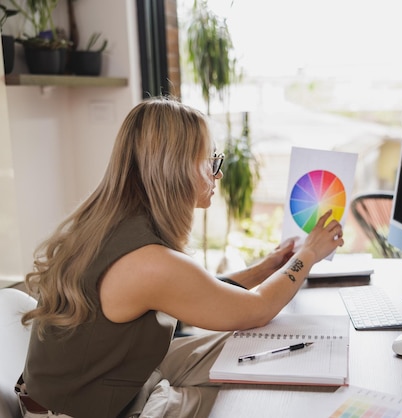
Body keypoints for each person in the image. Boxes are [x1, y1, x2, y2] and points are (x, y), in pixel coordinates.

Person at [17, 96, 344, 418]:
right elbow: (256, 310)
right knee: (248, 394)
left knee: (248, 346)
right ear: (176, 168)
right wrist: (309, 254)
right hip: (82, 410)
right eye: (211, 161)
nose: (217, 175)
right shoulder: (148, 261)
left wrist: (267, 267)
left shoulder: (111, 224)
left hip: (104, 379)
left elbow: (199, 293)